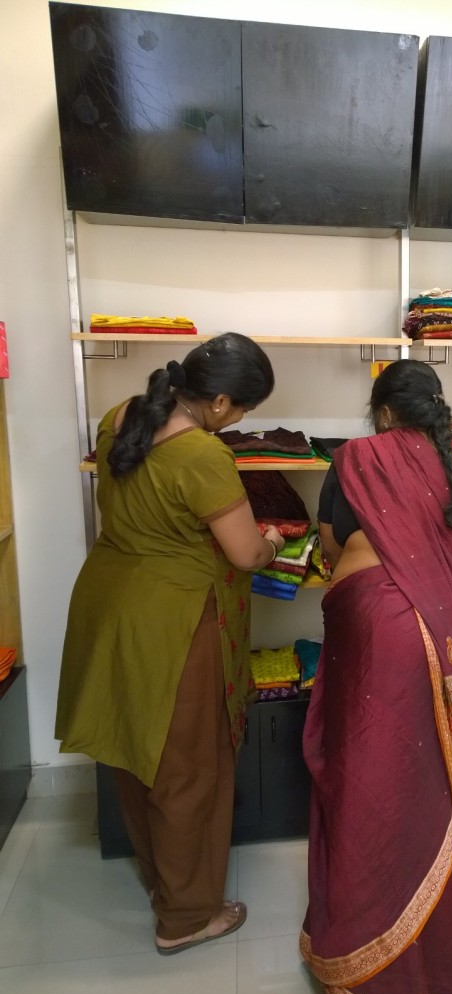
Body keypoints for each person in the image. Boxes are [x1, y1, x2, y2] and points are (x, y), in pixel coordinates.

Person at [55, 332, 286, 954]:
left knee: (136, 752)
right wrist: (272, 542)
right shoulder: (202, 456)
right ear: (216, 401)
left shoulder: (121, 415)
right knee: (187, 770)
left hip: (108, 604)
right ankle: (186, 917)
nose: (240, 422)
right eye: (243, 409)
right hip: (173, 620)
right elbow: (242, 556)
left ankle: (162, 879)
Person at [295, 360, 452, 994]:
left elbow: (331, 544)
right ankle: (432, 982)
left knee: (366, 789)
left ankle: (361, 987)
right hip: (444, 643)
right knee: (428, 799)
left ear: (383, 414)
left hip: (377, 630)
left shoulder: (357, 460)